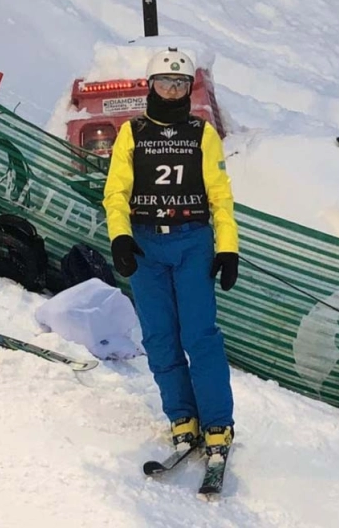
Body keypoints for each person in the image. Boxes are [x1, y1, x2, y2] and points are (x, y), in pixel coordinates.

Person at [103, 48, 240, 460]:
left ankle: (217, 422)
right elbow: (116, 191)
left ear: (189, 89)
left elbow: (220, 195)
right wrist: (120, 238)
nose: (172, 90)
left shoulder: (202, 133)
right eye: (165, 82)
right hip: (146, 243)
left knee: (199, 335)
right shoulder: (133, 132)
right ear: (151, 86)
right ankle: (181, 416)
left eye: (180, 84)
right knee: (160, 336)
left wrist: (227, 247)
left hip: (191, 240)